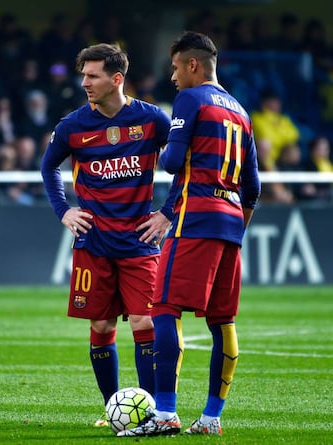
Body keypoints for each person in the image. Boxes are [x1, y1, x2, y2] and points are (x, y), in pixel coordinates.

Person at [118, 30, 261, 437]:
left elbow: (172, 162)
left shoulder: (191, 99)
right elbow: (254, 189)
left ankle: (164, 414)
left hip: (194, 217)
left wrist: (160, 149)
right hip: (231, 222)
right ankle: (212, 418)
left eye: (177, 66)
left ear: (193, 64)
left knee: (164, 307)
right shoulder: (241, 111)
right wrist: (232, 228)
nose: (173, 75)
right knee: (224, 322)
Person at [40, 43, 176, 426]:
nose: (84, 82)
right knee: (100, 326)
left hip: (139, 241)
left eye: (92, 75)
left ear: (116, 78)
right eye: (83, 74)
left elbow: (184, 166)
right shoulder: (72, 126)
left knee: (144, 323)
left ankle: (150, 410)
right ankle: (111, 408)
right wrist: (64, 210)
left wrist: (167, 213)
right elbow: (48, 167)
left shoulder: (152, 119)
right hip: (93, 242)